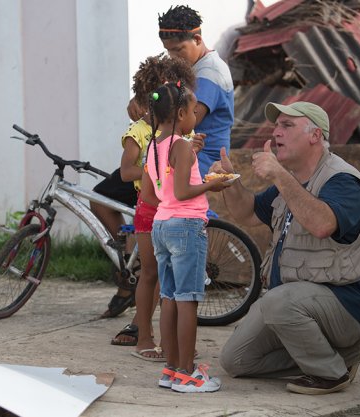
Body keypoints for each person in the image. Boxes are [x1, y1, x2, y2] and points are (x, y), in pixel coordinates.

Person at [213, 101, 360, 395]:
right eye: (276, 125)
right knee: (236, 360)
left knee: (276, 302)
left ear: (315, 135)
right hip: (299, 301)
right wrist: (229, 181)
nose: (276, 131)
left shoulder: (342, 180)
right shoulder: (292, 181)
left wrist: (279, 175)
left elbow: (322, 224)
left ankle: (330, 374)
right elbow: (248, 213)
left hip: (348, 305)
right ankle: (335, 358)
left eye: (287, 125)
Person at [139, 81, 229, 392]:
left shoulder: (154, 145)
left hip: (162, 226)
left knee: (169, 298)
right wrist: (211, 186)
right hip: (187, 227)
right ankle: (189, 372)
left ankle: (171, 370)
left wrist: (189, 157)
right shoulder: (179, 145)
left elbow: (151, 193)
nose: (195, 116)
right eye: (192, 111)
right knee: (188, 299)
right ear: (179, 113)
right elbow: (183, 191)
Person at [108, 56, 198, 363]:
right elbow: (135, 175)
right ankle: (145, 337)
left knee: (165, 280)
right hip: (155, 209)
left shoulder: (175, 136)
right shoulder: (144, 133)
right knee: (152, 274)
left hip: (162, 210)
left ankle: (174, 344)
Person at [155, 5, 234, 178]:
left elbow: (184, 121)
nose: (172, 56)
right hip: (185, 152)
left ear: (197, 39)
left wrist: (150, 115)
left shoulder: (209, 72)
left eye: (177, 50)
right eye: (168, 50)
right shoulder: (191, 67)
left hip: (204, 158)